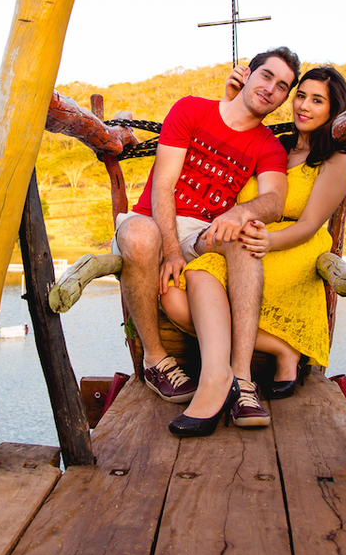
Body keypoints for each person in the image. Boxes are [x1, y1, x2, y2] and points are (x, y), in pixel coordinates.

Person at [110, 47, 301, 429]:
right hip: (152, 222)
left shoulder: (267, 145)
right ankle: (155, 360)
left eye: (282, 87)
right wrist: (170, 252)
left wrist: (241, 212)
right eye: (266, 76)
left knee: (247, 232)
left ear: (283, 99)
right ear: (247, 74)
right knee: (139, 235)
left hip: (201, 231)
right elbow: (163, 186)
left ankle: (241, 380)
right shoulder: (192, 110)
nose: (271, 89)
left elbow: (275, 201)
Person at [162, 65, 346, 433]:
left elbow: (309, 225)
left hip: (293, 248)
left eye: (317, 101)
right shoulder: (275, 145)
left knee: (209, 272)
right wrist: (230, 99)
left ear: (333, 110)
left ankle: (234, 379)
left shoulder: (335, 160)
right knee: (177, 294)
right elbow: (226, 142)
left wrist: (269, 240)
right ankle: (280, 349)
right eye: (300, 96)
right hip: (249, 240)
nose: (304, 106)